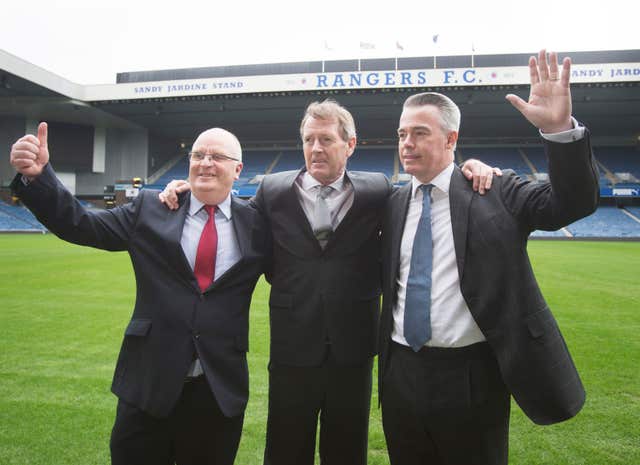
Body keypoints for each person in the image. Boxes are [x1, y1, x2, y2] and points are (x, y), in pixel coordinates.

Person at [160, 100, 498, 465]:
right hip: (292, 348)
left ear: (349, 145)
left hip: (352, 352)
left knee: (347, 450)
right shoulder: (272, 191)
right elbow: (233, 217)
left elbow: (432, 182)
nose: (315, 149)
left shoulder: (377, 191)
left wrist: (470, 167)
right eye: (308, 140)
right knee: (286, 449)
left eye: (325, 139)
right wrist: (189, 189)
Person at [378, 50, 599, 465]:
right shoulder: (389, 203)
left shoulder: (496, 189)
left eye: (421, 133)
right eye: (402, 133)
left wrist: (557, 130)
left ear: (451, 140)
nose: (407, 143)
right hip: (400, 373)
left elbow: (572, 203)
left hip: (472, 375)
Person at [9, 124, 268, 465]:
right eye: (198, 155)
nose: (205, 163)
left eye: (217, 157)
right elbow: (81, 224)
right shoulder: (151, 208)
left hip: (217, 392)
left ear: (238, 170)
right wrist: (38, 176)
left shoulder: (258, 224)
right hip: (148, 385)